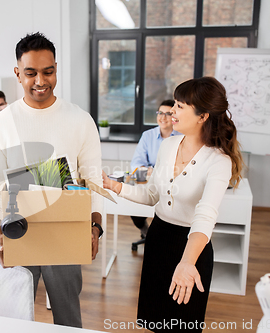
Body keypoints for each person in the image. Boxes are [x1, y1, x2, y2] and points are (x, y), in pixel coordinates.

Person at [102, 77, 243, 332]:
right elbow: (153, 195)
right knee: (156, 321)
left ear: (202, 116)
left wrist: (187, 262)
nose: (171, 113)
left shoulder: (218, 161)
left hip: (191, 247)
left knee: (182, 325)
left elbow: (206, 215)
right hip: (158, 238)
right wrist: (117, 187)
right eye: (174, 105)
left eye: (179, 106)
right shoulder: (167, 146)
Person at [0, 32, 103, 328]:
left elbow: (93, 179)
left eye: (48, 72)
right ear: (17, 73)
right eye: (31, 73)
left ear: (56, 69)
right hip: (17, 228)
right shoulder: (1, 124)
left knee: (67, 316)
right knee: (13, 315)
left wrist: (96, 227)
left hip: (65, 231)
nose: (40, 80)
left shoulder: (79, 119)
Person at [130, 99, 181, 238]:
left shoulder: (182, 137)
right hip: (149, 183)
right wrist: (150, 170)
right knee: (134, 205)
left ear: (175, 116)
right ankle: (146, 231)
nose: (163, 117)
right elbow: (136, 164)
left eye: (168, 114)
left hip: (172, 186)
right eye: (160, 113)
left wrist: (156, 170)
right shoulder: (148, 136)